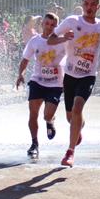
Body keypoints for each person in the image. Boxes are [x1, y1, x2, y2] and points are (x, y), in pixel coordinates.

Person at [47, 0, 100, 167]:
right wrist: (62, 38)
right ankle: (78, 129)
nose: (89, 7)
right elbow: (51, 40)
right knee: (71, 117)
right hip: (69, 75)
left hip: (88, 76)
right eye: (86, 4)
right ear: (82, 5)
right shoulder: (72, 21)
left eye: (93, 4)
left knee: (77, 108)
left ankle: (70, 153)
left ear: (98, 6)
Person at [15, 13, 68, 158]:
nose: (49, 27)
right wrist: (20, 74)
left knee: (47, 115)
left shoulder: (62, 42)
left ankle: (50, 121)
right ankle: (34, 144)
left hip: (55, 83)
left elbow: (72, 57)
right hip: (37, 81)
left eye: (53, 25)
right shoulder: (35, 41)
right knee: (33, 113)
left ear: (57, 27)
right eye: (47, 24)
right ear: (42, 24)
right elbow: (25, 59)